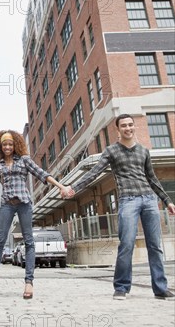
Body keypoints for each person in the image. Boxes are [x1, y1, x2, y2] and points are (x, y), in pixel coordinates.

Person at [65, 114, 175, 300]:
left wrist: (167, 201)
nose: (128, 128)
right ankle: (122, 287)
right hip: (128, 200)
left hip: (149, 200)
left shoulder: (143, 151)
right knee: (126, 244)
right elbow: (94, 172)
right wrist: (73, 188)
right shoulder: (112, 151)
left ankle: (160, 288)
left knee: (155, 246)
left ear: (134, 126)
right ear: (118, 129)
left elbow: (152, 178)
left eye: (131, 125)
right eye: (124, 125)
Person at [0, 130, 71, 299]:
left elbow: (42, 174)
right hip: (7, 205)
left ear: (15, 145)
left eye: (10, 144)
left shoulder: (24, 160)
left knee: (29, 242)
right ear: (0, 146)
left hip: (24, 204)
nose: (7, 147)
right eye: (4, 144)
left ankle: (29, 283)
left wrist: (61, 187)